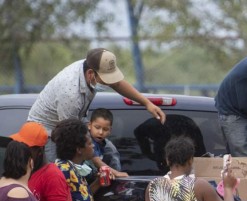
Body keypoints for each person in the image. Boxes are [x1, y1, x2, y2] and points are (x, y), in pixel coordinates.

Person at [27, 48, 166, 161]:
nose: (108, 83)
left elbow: (117, 83)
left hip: (76, 121)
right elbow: (69, 137)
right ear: (90, 74)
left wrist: (147, 103)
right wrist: (101, 165)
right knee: (60, 175)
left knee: (108, 151)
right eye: (105, 80)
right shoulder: (70, 94)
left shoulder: (92, 65)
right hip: (50, 133)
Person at [87, 108, 128, 178]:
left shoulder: (104, 145)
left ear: (110, 130)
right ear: (89, 125)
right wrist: (116, 173)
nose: (100, 132)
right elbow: (96, 161)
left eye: (105, 129)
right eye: (97, 127)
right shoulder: (87, 140)